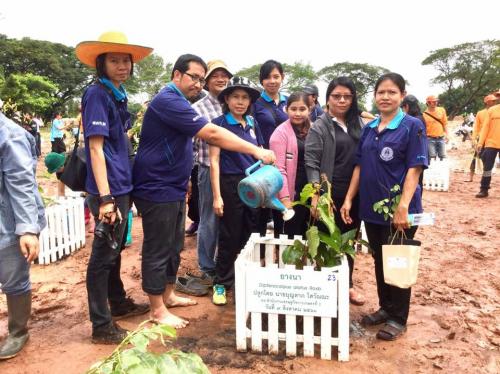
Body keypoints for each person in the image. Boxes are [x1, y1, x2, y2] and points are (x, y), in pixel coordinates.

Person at [132, 54, 275, 329]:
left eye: (200, 78)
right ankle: (156, 309)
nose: (198, 83)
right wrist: (256, 150)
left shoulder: (183, 103)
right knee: (158, 248)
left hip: (173, 186)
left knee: (174, 246)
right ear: (176, 75)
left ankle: (168, 294)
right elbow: (211, 134)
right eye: (194, 77)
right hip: (156, 187)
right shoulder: (168, 100)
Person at [75, 31, 153, 344]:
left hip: (121, 184)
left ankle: (118, 302)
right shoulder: (96, 94)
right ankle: (101, 324)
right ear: (101, 63)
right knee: (101, 257)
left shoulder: (117, 94)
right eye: (114, 60)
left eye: (126, 61)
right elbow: (95, 149)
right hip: (108, 189)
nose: (122, 66)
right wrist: (106, 198)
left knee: (115, 250)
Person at [341, 72, 428, 341]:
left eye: (392, 92)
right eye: (381, 92)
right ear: (375, 96)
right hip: (371, 209)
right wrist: (348, 199)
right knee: (380, 259)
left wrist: (403, 206)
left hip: (400, 210)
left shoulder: (412, 126)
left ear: (401, 96)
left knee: (398, 261)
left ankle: (398, 318)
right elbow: (359, 166)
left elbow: (415, 168)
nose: (386, 97)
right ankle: (385, 308)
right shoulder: (369, 128)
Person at [305, 77, 366, 306]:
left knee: (349, 240)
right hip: (330, 194)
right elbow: (311, 162)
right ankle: (325, 287)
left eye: (347, 96)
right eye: (336, 96)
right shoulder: (320, 126)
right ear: (327, 98)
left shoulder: (358, 124)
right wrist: (317, 194)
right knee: (328, 240)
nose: (342, 100)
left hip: (354, 193)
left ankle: (347, 285)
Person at [209, 77, 263, 305]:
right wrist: (217, 196)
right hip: (230, 184)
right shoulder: (218, 124)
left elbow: (259, 153)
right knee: (229, 234)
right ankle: (221, 284)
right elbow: (214, 161)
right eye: (235, 97)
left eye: (244, 98)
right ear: (227, 99)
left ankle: (243, 278)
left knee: (249, 232)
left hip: (253, 185)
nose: (240, 102)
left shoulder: (252, 123)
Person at [0, 110, 46, 360]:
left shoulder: (9, 135)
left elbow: (22, 183)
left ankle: (18, 331)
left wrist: (28, 229)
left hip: (9, 222)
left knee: (13, 278)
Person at [190, 60, 232, 284]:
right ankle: (207, 266)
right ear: (206, 80)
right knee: (209, 219)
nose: (221, 79)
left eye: (224, 75)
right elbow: (192, 145)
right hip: (208, 168)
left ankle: (225, 262)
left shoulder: (233, 103)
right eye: (216, 75)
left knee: (230, 219)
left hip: (233, 172)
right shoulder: (197, 108)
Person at [253, 60, 289, 235]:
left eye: (276, 76)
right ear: (262, 81)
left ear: (282, 77)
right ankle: (260, 250)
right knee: (262, 204)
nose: (272, 81)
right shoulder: (256, 103)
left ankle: (280, 246)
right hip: (263, 162)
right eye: (267, 77)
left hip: (286, 161)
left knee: (282, 203)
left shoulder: (288, 102)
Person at [269, 92, 311, 238]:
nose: (298, 113)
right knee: (288, 237)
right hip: (289, 192)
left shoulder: (314, 130)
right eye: (293, 109)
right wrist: (285, 199)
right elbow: (279, 169)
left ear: (309, 110)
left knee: (306, 236)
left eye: (302, 109)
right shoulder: (280, 134)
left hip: (309, 192)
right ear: (286, 109)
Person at [467, 94, 497, 182]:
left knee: (487, 161)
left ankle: (486, 178)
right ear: (487, 102)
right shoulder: (481, 113)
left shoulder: (496, 112)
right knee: (474, 158)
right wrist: (473, 139)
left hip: (492, 140)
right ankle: (471, 178)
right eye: (493, 101)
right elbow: (476, 127)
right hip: (481, 140)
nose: (495, 102)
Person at [475, 90, 500, 198]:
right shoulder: (492, 110)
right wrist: (480, 142)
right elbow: (485, 127)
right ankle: (484, 189)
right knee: (487, 167)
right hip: (491, 143)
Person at [423, 95, 448, 160]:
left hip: (441, 138)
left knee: (442, 156)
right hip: (430, 139)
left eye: (436, 101)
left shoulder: (441, 110)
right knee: (432, 156)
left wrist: (447, 135)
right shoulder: (424, 115)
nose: (435, 103)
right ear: (428, 103)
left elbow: (445, 123)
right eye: (433, 102)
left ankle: (441, 169)